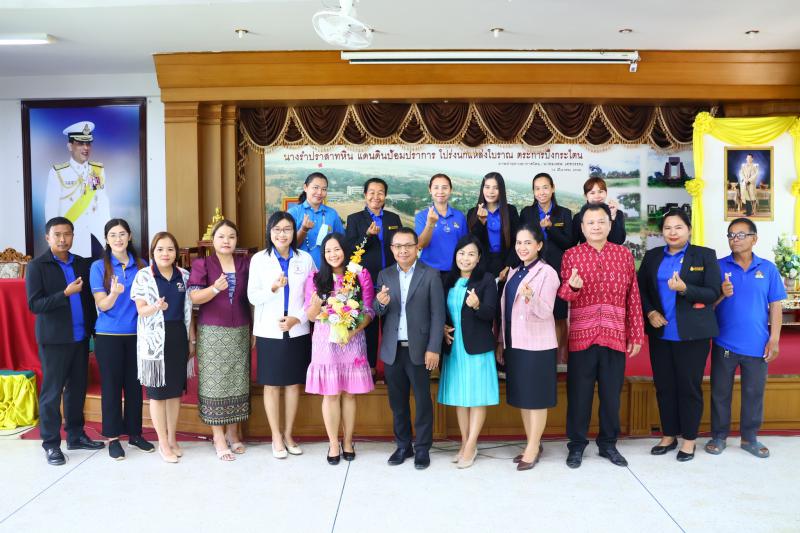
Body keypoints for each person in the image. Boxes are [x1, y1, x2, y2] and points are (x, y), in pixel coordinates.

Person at [558, 203, 644, 469]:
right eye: (590, 222)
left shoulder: (624, 255)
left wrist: (636, 333)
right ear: (582, 228)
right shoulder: (571, 255)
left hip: (614, 335)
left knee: (611, 396)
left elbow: (633, 296)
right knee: (579, 396)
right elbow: (563, 295)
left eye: (600, 221)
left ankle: (608, 444)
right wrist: (572, 287)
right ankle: (576, 446)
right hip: (582, 338)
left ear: (609, 225)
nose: (596, 226)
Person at [637, 209, 721, 461]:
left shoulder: (704, 255)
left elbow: (712, 293)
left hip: (692, 335)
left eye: (678, 227)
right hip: (661, 333)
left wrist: (685, 288)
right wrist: (650, 312)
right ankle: (668, 435)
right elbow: (640, 290)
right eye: (667, 228)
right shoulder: (653, 256)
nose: (672, 232)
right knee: (664, 386)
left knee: (688, 387)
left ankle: (689, 439)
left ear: (689, 230)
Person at [26, 217, 104, 466]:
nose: (62, 239)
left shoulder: (82, 264)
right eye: (57, 234)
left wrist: (94, 331)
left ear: (72, 236)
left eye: (67, 234)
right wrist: (65, 294)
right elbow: (35, 304)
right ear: (47, 237)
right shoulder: (37, 266)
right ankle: (51, 444)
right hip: (55, 340)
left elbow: (90, 301)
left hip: (80, 338)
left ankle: (75, 435)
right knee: (52, 393)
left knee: (77, 389)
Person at [706, 218, 786, 459]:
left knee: (753, 393)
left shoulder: (768, 269)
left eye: (741, 234)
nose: (735, 239)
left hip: (757, 344)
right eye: (731, 235)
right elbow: (705, 306)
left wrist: (774, 339)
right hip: (724, 343)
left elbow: (776, 306)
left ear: (754, 238)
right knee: (720, 392)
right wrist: (721, 294)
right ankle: (719, 436)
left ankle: (749, 438)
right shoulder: (718, 266)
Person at [373, 227, 445, 470]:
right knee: (397, 402)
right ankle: (403, 445)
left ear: (417, 248)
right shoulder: (384, 275)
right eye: (398, 246)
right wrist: (380, 303)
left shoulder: (430, 274)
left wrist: (434, 348)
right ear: (392, 249)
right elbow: (378, 311)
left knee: (423, 401)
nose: (403, 250)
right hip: (393, 350)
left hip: (421, 350)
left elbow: (438, 315)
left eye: (408, 246)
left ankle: (422, 448)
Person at [304, 233, 375, 465]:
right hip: (326, 342)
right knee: (331, 393)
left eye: (337, 249)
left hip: (352, 341)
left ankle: (348, 441)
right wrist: (316, 307)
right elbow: (310, 316)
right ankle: (333, 442)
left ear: (345, 250)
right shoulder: (315, 278)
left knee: (350, 393)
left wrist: (352, 332)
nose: (333, 254)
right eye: (328, 251)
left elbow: (369, 311)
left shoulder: (360, 274)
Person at [249, 211, 315, 459]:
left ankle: (288, 434)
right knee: (272, 384)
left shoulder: (305, 259)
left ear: (293, 232)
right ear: (269, 232)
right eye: (277, 229)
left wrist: (298, 318)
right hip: (270, 329)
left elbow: (313, 295)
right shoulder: (259, 259)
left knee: (293, 384)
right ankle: (275, 436)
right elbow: (252, 296)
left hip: (297, 328)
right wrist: (273, 287)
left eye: (287, 229)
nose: (282, 234)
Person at [188, 219, 252, 461]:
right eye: (221, 236)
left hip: (241, 329)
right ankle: (218, 436)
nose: (226, 241)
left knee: (238, 382)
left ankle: (234, 433)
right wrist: (214, 288)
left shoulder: (245, 263)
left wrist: (254, 329)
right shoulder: (202, 264)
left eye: (231, 237)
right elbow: (194, 297)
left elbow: (252, 298)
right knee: (214, 384)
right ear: (212, 240)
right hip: (212, 332)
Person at [498, 224, 560, 471]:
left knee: (536, 399)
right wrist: (501, 342)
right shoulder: (514, 272)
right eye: (518, 243)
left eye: (527, 242)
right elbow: (506, 312)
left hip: (537, 345)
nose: (522, 247)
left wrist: (531, 296)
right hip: (515, 343)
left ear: (539, 245)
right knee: (524, 397)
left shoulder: (548, 273)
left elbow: (546, 312)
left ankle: (533, 448)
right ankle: (531, 443)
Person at [90, 218, 153, 460]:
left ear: (130, 236)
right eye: (113, 235)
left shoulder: (142, 265)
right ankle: (113, 438)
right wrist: (114, 294)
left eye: (122, 234)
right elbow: (102, 305)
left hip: (138, 334)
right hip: (109, 335)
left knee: (135, 386)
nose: (118, 239)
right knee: (111, 387)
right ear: (107, 240)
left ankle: (135, 434)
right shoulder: (99, 267)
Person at [131, 232, 195, 463]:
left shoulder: (184, 276)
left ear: (176, 252)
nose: (165, 253)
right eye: (160, 249)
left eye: (170, 249)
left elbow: (189, 312)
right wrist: (156, 307)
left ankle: (173, 438)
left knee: (175, 393)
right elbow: (141, 310)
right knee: (158, 394)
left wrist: (191, 339)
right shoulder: (144, 276)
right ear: (152, 252)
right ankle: (163, 443)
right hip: (154, 339)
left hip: (178, 335)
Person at [438, 235, 499, 469]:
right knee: (460, 398)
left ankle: (472, 445)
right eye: (462, 253)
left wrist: (477, 306)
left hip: (477, 348)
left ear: (479, 257)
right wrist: (443, 327)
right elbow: (441, 312)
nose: (465, 258)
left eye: (471, 254)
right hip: (454, 348)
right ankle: (464, 443)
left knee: (476, 397)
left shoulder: (487, 280)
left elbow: (490, 313)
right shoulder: (448, 280)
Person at [345, 178, 402, 370]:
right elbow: (351, 250)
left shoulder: (393, 219)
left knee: (391, 324)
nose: (376, 196)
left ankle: (391, 369)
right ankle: (369, 369)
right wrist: (367, 236)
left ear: (385, 195)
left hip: (391, 280)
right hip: (366, 281)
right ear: (365, 194)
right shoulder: (354, 219)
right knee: (368, 326)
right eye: (372, 192)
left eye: (380, 192)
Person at [519, 172, 573, 364]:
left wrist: (551, 228)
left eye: (545, 187)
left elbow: (569, 243)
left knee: (558, 314)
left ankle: (557, 358)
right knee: (532, 310)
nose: (541, 192)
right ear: (533, 192)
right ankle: (535, 355)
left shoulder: (564, 213)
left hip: (557, 270)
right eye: (537, 188)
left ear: (553, 189)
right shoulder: (526, 213)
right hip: (532, 270)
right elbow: (522, 242)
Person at [44, 121, 111, 258]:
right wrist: (54, 240)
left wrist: (108, 234)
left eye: (88, 143)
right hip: (72, 238)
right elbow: (51, 208)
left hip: (96, 236)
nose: (86, 148)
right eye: (80, 143)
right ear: (70, 146)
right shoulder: (58, 172)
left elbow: (103, 204)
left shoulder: (97, 170)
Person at [466, 172, 519, 280]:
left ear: (501, 190)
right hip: (480, 266)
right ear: (482, 189)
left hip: (505, 264)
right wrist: (481, 222)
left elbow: (517, 241)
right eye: (487, 187)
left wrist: (509, 266)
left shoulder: (510, 211)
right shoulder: (472, 213)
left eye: (496, 188)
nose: (491, 191)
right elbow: (473, 243)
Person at [415, 174, 468, 279]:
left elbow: (465, 244)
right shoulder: (422, 216)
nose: (440, 191)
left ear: (450, 190)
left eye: (444, 187)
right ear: (430, 190)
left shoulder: (459, 216)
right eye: (436, 187)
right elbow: (420, 244)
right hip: (428, 271)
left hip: (455, 271)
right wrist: (430, 223)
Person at [288, 172, 345, 268]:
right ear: (305, 187)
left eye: (324, 189)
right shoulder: (293, 213)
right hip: (300, 269)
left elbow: (341, 243)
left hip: (327, 269)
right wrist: (303, 230)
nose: (319, 192)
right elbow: (288, 246)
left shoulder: (332, 214)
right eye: (315, 187)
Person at [572, 177, 626, 245]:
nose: (597, 196)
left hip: (611, 252)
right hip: (586, 252)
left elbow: (618, 241)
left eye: (600, 192)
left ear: (606, 193)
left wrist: (612, 216)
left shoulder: (617, 214)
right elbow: (572, 243)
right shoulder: (578, 217)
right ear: (585, 196)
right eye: (592, 193)